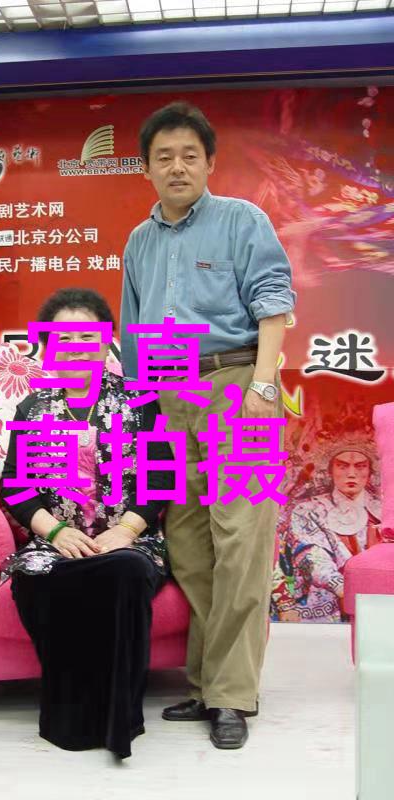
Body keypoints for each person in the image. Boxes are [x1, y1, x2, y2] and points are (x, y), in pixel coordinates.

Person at [120, 102, 296, 749]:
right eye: (163, 157)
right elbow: (132, 331)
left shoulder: (241, 220)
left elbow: (274, 302)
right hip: (168, 398)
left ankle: (231, 695)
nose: (177, 167)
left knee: (242, 543)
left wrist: (263, 387)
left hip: (237, 388)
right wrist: (141, 413)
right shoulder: (139, 242)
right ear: (146, 168)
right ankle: (204, 682)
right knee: (190, 546)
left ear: (209, 162)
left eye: (189, 155)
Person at [0, 287, 174, 760]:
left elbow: (162, 477)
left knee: (125, 571)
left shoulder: (140, 402)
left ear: (106, 341)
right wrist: (57, 533)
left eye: (86, 336)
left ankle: (119, 720)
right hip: (58, 544)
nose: (75, 346)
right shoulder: (32, 409)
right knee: (35, 578)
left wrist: (127, 531)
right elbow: (16, 487)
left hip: (129, 542)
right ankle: (69, 715)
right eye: (64, 337)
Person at [287, 442, 381, 623]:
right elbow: (311, 557)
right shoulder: (308, 510)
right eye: (342, 466)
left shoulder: (385, 511)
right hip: (327, 607)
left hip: (381, 602)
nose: (351, 474)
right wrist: (345, 588)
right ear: (330, 471)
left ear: (370, 472)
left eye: (360, 466)